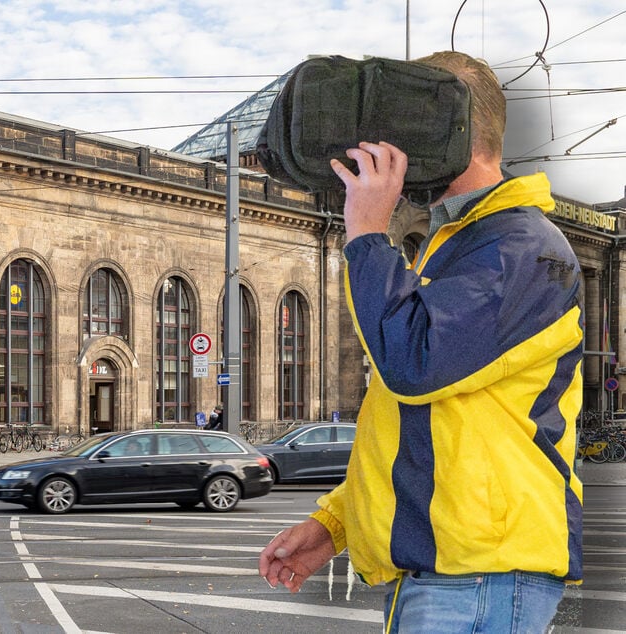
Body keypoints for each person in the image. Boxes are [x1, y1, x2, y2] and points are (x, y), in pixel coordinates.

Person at [259, 51, 583, 633]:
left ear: (444, 126)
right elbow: (423, 427)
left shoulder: (521, 247)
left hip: (481, 573)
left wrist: (366, 232)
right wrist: (336, 525)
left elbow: (414, 362)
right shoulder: (465, 242)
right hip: (452, 569)